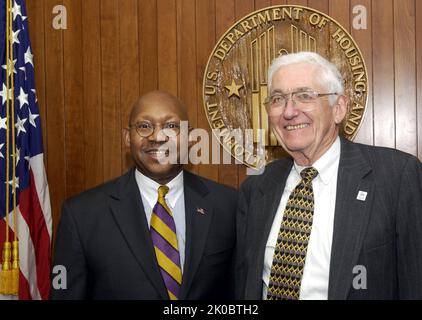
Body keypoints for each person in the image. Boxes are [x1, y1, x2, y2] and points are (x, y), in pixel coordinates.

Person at [235, 52, 422, 300]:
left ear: (339, 108)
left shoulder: (396, 176)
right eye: (278, 99)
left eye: (304, 96)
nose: (289, 112)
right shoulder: (256, 187)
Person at [50, 90, 237, 299]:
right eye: (144, 126)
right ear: (127, 137)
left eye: (171, 126)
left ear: (190, 138)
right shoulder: (81, 215)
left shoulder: (228, 206)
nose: (157, 137)